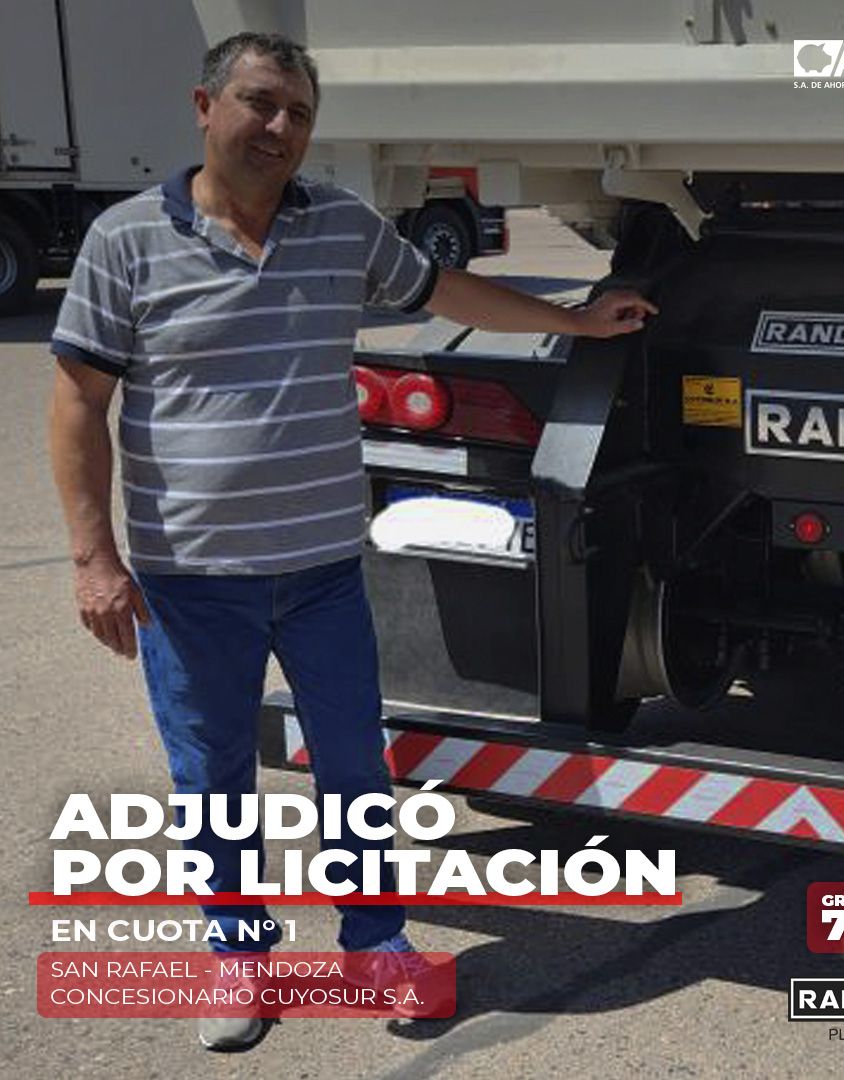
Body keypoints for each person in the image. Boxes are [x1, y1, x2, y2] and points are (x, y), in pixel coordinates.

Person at [47, 32, 657, 1050]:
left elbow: (443, 292)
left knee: (355, 771)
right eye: (259, 103)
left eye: (298, 113)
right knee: (213, 778)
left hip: (325, 572)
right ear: (204, 106)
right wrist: (92, 559)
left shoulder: (340, 225)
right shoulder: (126, 240)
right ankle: (238, 956)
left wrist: (580, 322)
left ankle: (376, 945)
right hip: (190, 581)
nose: (279, 127)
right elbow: (77, 402)